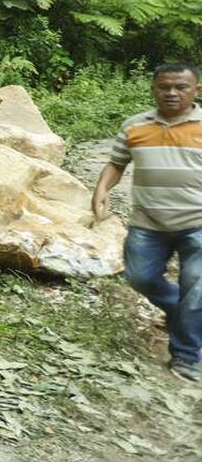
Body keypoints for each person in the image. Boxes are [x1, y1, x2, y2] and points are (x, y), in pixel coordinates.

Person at [92, 62, 202, 382]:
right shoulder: (134, 126)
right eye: (164, 87)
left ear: (196, 90)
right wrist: (102, 189)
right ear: (153, 89)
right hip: (148, 223)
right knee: (140, 278)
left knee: (197, 288)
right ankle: (181, 312)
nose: (172, 93)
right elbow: (116, 164)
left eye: (181, 87)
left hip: (198, 223)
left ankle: (186, 355)